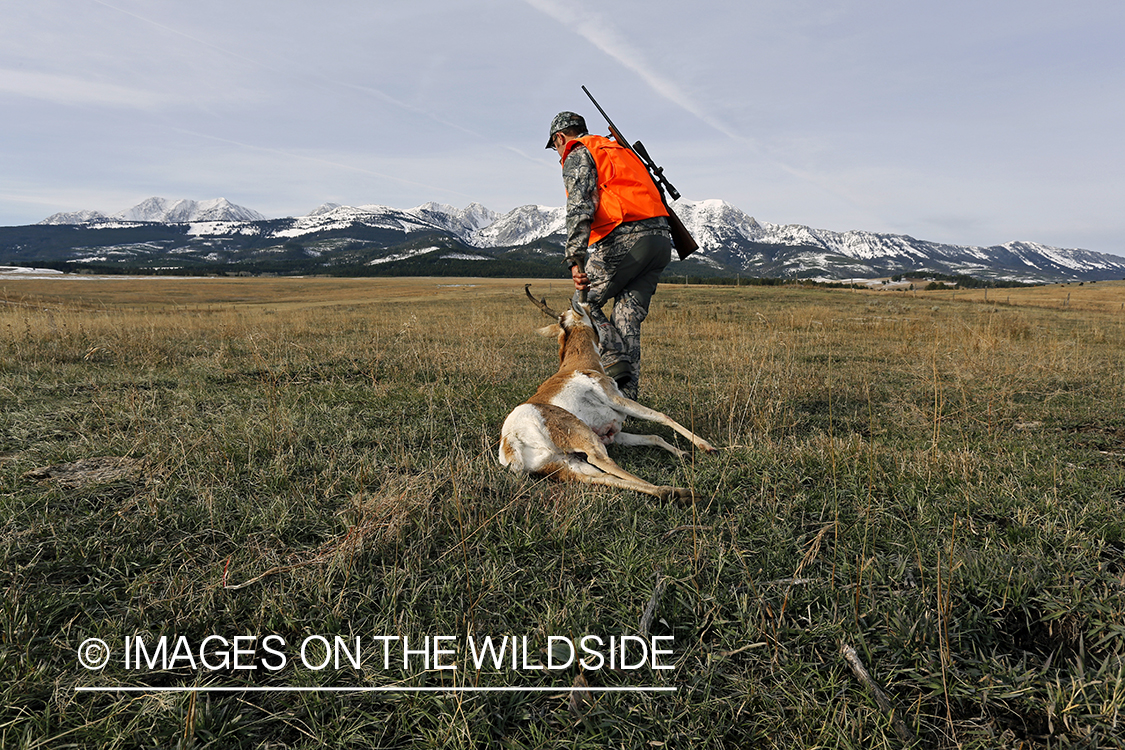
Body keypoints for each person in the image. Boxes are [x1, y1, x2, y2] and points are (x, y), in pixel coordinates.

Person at [545, 111, 673, 400]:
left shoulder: (578, 152)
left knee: (583, 306)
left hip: (625, 237)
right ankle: (626, 401)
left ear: (560, 138)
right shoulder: (619, 151)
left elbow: (579, 206)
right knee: (627, 318)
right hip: (660, 240)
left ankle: (612, 358)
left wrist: (575, 258)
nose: (558, 153)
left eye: (556, 147)